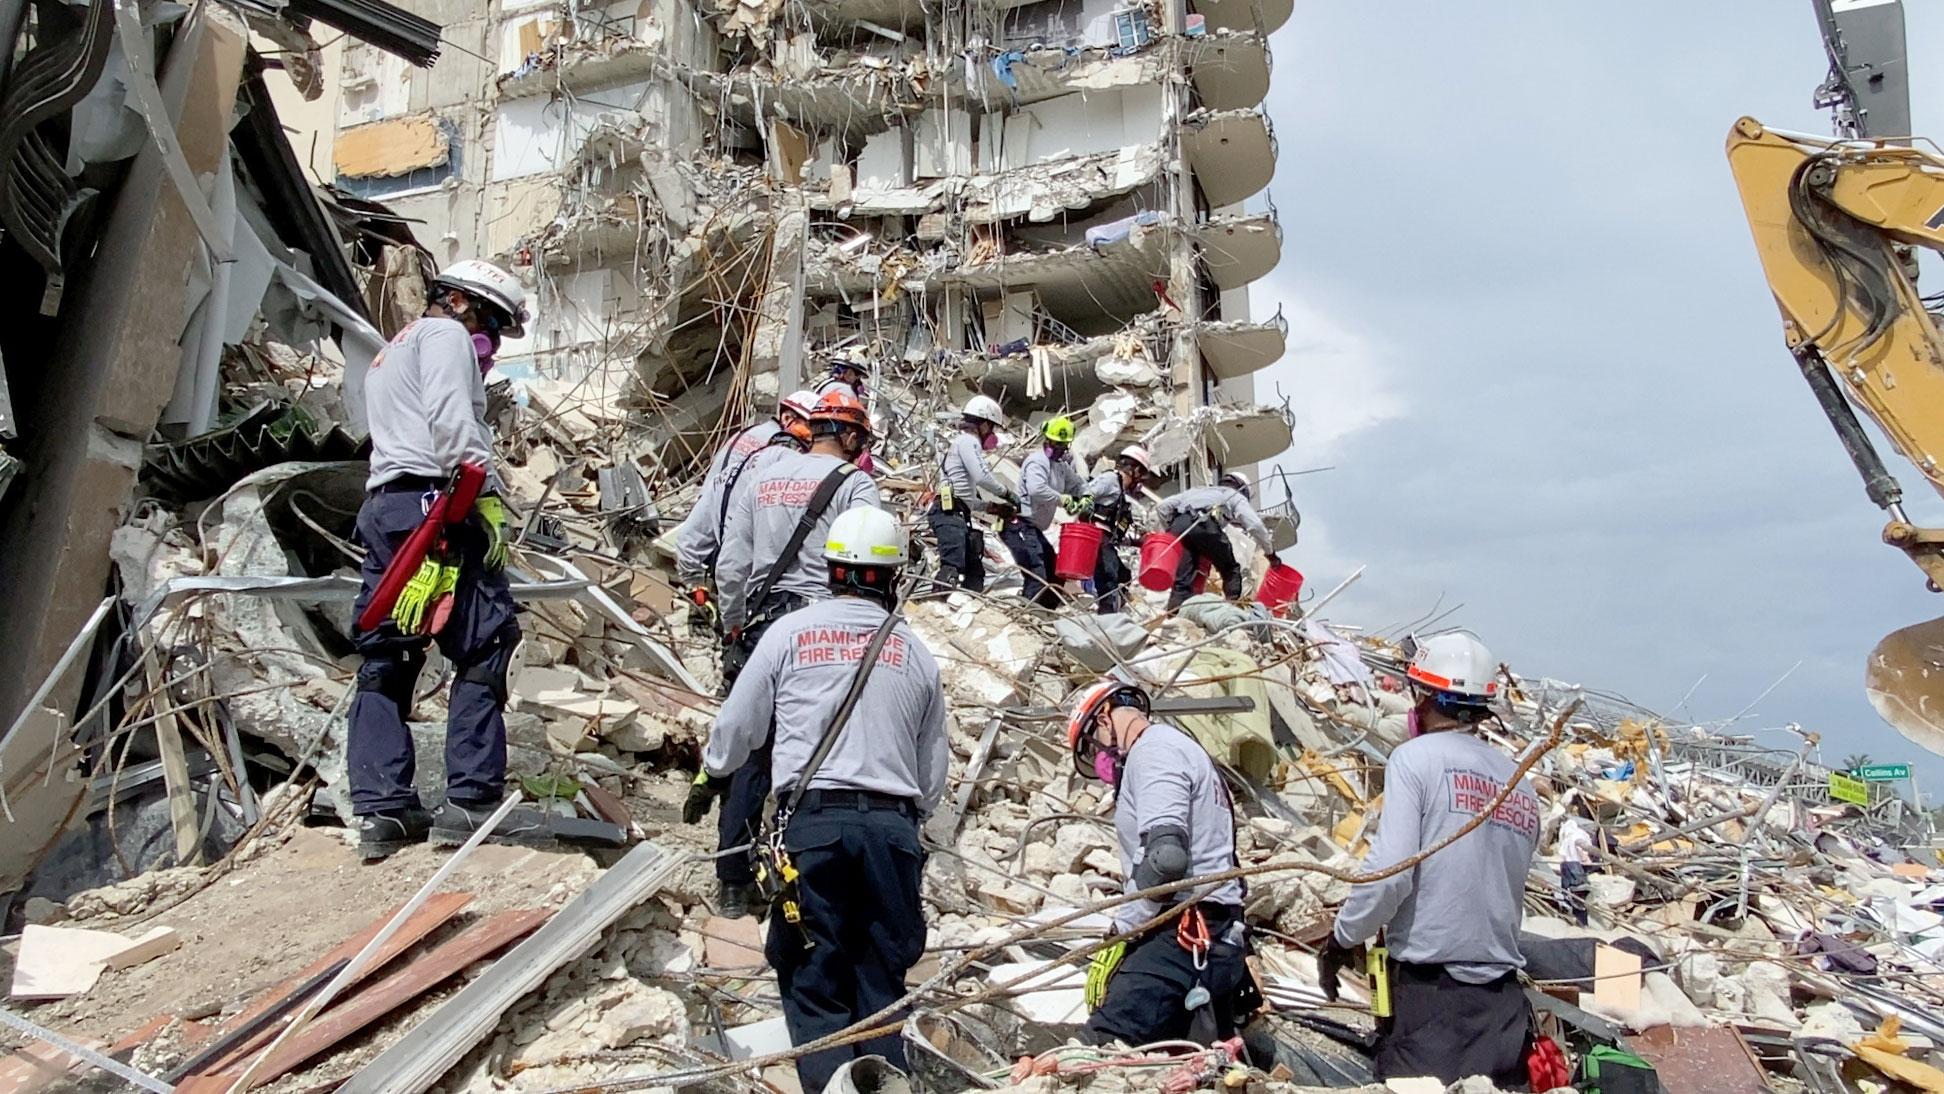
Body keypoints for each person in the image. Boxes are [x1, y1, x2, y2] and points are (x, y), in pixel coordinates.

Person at [692, 507, 948, 1093]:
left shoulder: (788, 634)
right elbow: (932, 772)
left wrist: (712, 772)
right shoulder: (916, 654)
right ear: (893, 577)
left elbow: (739, 727)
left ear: (830, 569)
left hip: (814, 830)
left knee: (813, 979)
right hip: (893, 831)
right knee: (882, 985)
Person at [347, 259, 533, 861]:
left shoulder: (389, 350)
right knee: (483, 640)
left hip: (386, 504)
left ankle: (383, 807)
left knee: (387, 651)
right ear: (464, 304)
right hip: (438, 500)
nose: (493, 346)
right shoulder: (448, 335)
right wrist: (482, 492)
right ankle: (471, 798)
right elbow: (452, 421)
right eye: (495, 328)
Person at [1315, 632, 1539, 1086]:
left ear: (1424, 697)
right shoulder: (1520, 784)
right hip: (1502, 1010)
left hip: (1434, 1002)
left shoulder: (1415, 760)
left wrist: (1342, 939)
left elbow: (1389, 876)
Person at [694, 391, 882, 917]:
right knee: (829, 752)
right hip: (828, 632)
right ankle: (817, 872)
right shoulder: (857, 486)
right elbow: (873, 561)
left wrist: (734, 627)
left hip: (761, 626)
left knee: (753, 753)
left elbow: (731, 565)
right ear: (848, 436)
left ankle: (733, 879)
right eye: (860, 440)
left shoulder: (762, 477)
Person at [1066, 679, 1255, 1046]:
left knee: (1100, 1047)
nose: (1100, 757)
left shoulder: (1152, 753)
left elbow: (1166, 859)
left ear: (1105, 715)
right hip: (1216, 931)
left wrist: (1122, 928)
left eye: (1093, 744)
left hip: (1185, 933)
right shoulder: (1178, 746)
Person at [675, 391, 819, 630]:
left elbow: (691, 535)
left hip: (723, 570)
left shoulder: (737, 464)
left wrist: (694, 583)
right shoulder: (786, 468)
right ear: (788, 419)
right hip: (756, 588)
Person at [929, 394, 1016, 592]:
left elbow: (967, 499)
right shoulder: (968, 441)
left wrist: (992, 508)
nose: (991, 434)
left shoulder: (961, 444)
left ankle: (966, 603)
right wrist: (1008, 494)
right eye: (992, 427)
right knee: (953, 566)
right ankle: (939, 606)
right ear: (984, 425)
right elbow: (982, 477)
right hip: (949, 513)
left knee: (974, 571)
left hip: (956, 512)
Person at [1152, 471, 1274, 611]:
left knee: (1182, 580)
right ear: (1242, 489)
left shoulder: (1197, 491)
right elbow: (1256, 525)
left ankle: (1174, 616)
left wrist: (1174, 529)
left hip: (1179, 524)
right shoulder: (1234, 495)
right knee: (1230, 568)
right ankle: (1232, 607)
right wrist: (1270, 553)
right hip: (1205, 525)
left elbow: (1163, 507)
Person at [1006, 416, 1083, 608]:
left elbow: (1078, 485)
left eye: (1063, 445)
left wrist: (1087, 496)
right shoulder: (1037, 462)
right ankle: (1026, 614)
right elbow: (1036, 489)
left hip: (1036, 529)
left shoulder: (1060, 467)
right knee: (1036, 572)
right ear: (1047, 440)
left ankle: (1046, 612)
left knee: (1054, 572)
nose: (1059, 449)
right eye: (1056, 444)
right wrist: (1062, 500)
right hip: (1022, 524)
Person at [1073, 445, 1154, 614]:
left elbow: (1113, 533)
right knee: (1109, 575)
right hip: (1094, 535)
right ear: (1135, 470)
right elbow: (1086, 494)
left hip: (1104, 539)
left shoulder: (1120, 497)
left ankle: (1113, 609)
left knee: (1123, 575)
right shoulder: (1110, 479)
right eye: (1140, 475)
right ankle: (1107, 614)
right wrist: (1085, 507)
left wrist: (1136, 542)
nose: (1139, 480)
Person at [1556, 815, 1596, 927]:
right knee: (1580, 898)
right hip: (1577, 869)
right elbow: (1582, 850)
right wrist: (1586, 860)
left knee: (1571, 896)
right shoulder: (1580, 835)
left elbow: (1562, 856)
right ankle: (1582, 923)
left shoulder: (1568, 838)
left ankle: (1575, 922)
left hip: (1568, 869)